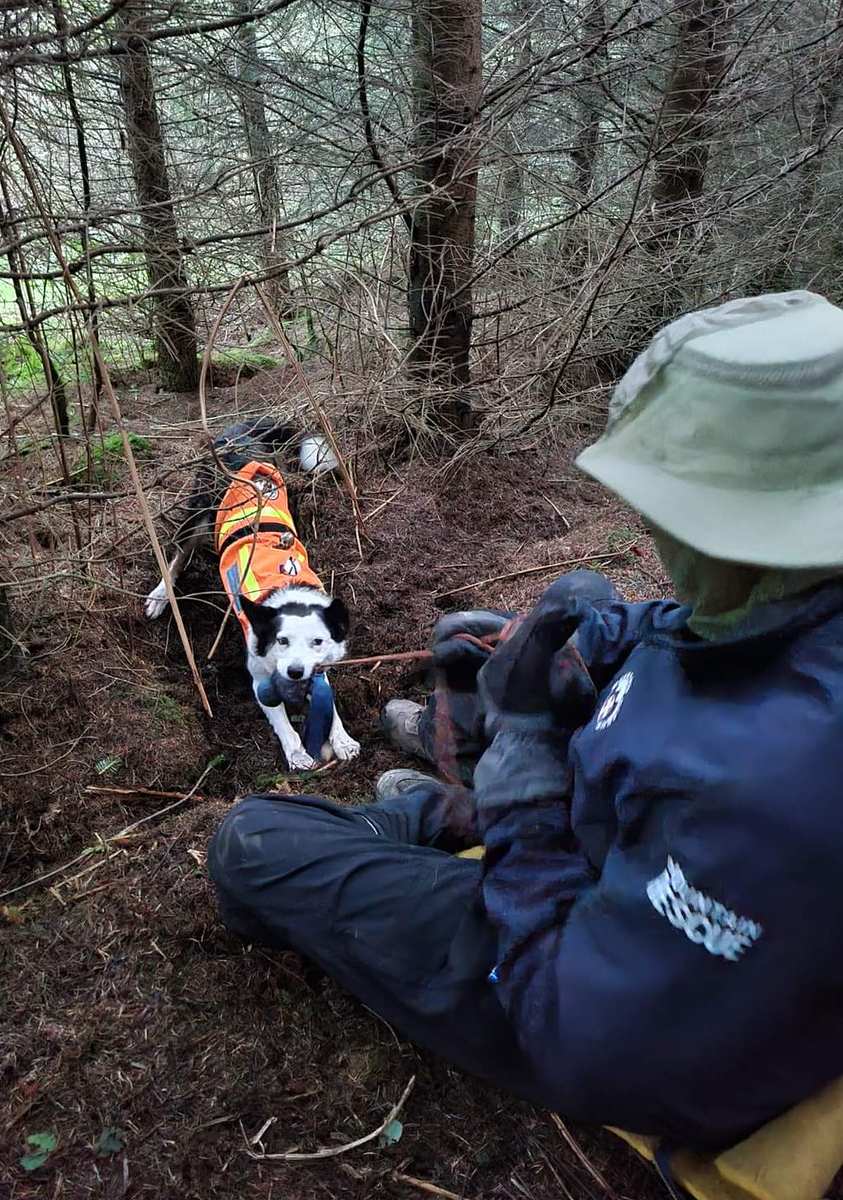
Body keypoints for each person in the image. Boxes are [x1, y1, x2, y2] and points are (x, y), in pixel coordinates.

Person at [207, 290, 843, 1152]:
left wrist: (527, 795)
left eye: (667, 517)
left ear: (745, 527)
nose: (650, 533)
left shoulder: (783, 794)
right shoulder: (798, 590)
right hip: (627, 816)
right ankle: (460, 787)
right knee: (576, 599)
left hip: (580, 958)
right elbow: (701, 632)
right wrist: (558, 644)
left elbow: (583, 1037)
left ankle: (434, 813)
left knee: (253, 843)